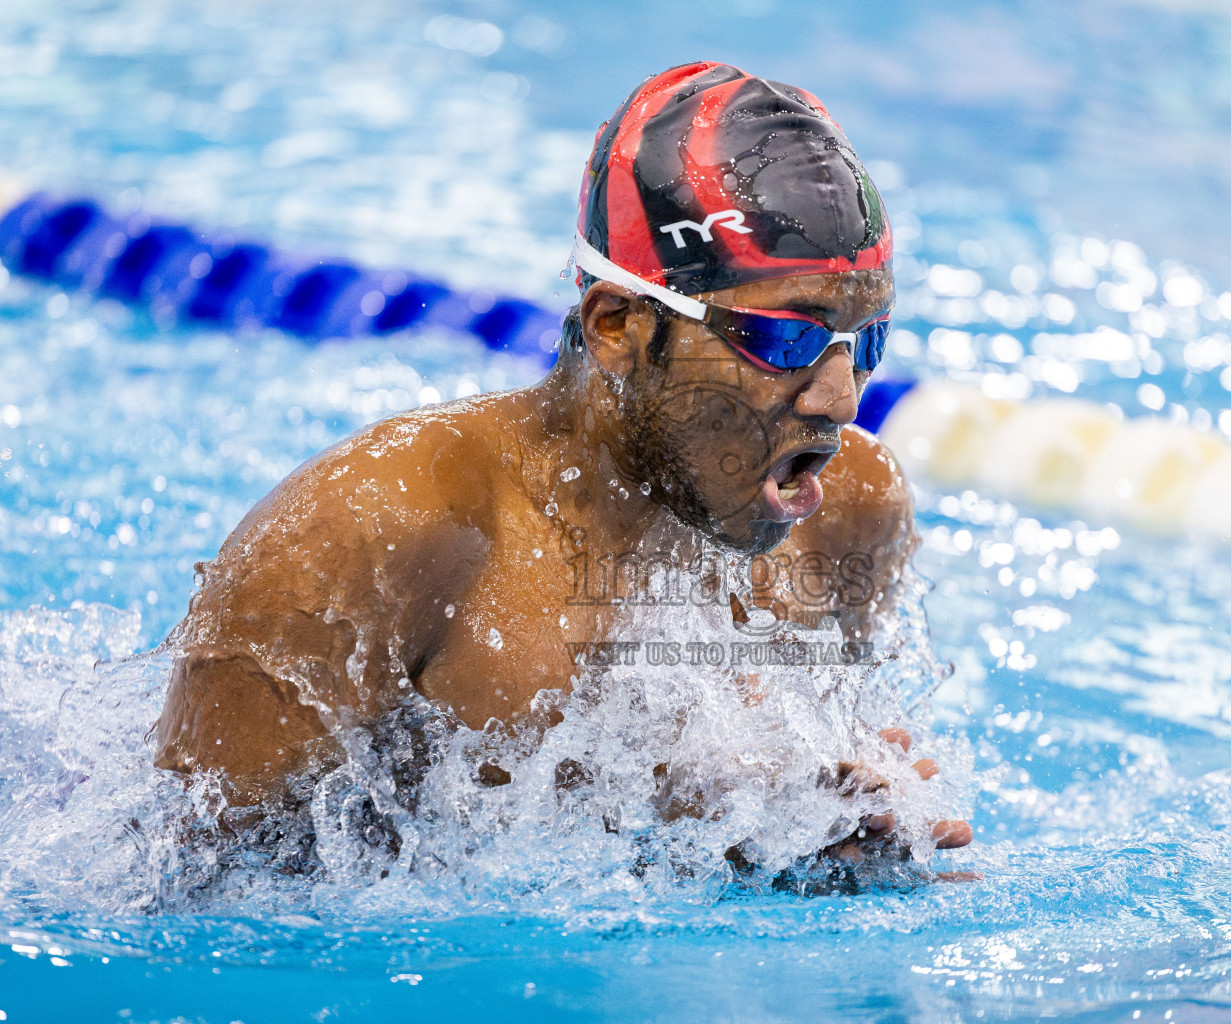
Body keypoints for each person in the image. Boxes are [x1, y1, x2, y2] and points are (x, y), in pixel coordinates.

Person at [154, 61, 972, 865]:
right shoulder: (369, 537)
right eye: (785, 338)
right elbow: (195, 904)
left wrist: (838, 851)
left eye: (863, 341)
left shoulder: (850, 510)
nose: (838, 398)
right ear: (617, 325)